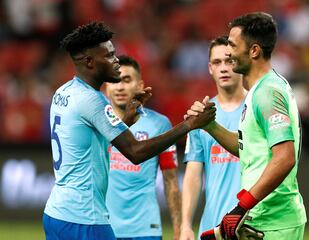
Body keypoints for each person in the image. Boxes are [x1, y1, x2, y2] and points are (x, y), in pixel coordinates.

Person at [43, 21, 215, 240]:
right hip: (85, 218)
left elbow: (89, 145)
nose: (116, 61)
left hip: (56, 213)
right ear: (89, 62)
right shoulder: (93, 100)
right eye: (109, 56)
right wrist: (189, 125)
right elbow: (135, 152)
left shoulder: (63, 92)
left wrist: (125, 121)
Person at [187, 12, 307, 240]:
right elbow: (248, 148)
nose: (228, 52)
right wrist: (210, 126)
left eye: (232, 45)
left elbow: (285, 157)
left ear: (254, 51)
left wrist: (242, 206)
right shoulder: (261, 90)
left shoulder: (267, 93)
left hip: (274, 223)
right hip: (265, 220)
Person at [105, 55, 181, 240]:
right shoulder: (96, 121)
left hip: (146, 229)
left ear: (140, 86)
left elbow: (171, 181)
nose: (120, 87)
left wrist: (179, 230)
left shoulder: (160, 124)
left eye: (127, 80)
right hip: (103, 226)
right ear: (106, 87)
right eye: (115, 81)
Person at [180, 36, 246, 240]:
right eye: (217, 63)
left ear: (240, 63)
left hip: (249, 226)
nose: (223, 68)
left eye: (229, 61)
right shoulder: (200, 116)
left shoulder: (257, 108)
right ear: (210, 68)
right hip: (212, 227)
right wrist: (185, 225)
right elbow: (193, 174)